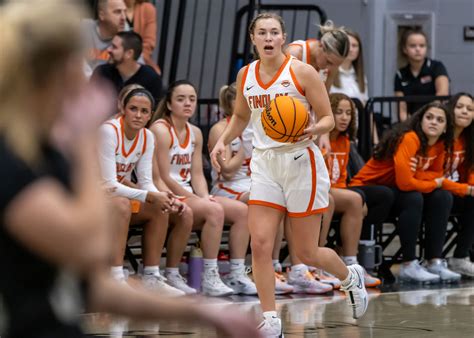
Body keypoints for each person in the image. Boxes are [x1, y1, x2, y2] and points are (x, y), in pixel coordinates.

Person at [0, 1, 261, 337]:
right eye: (74, 61)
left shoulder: (47, 152)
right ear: (54, 70)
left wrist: (205, 314)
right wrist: (84, 141)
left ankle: (161, 275)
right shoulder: (11, 158)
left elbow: (95, 289)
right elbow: (89, 247)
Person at [210, 12, 368, 336]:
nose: (268, 38)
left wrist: (313, 129)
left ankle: (351, 277)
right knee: (262, 244)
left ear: (284, 38)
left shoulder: (302, 72)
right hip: (265, 164)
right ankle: (270, 320)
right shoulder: (245, 75)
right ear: (253, 39)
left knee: (306, 251)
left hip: (300, 162)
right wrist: (223, 141)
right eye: (262, 33)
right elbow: (240, 116)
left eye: (274, 33)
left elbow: (326, 117)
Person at [149, 80, 257, 296]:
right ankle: (207, 274)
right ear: (169, 104)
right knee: (214, 210)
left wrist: (205, 195)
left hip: (188, 193)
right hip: (165, 192)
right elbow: (162, 176)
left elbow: (197, 174)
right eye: (181, 99)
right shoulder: (160, 129)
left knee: (242, 212)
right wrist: (195, 198)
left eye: (192, 99)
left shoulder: (195, 132)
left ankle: (236, 274)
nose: (187, 103)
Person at [350, 102, 461, 283]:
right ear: (420, 121)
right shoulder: (410, 138)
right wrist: (431, 181)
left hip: (392, 192)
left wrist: (421, 176)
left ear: (445, 128)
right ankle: (408, 264)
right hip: (368, 188)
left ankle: (434, 261)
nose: (434, 122)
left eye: (440, 120)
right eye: (429, 117)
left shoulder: (440, 145)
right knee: (413, 197)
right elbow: (405, 183)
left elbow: (436, 175)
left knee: (442, 196)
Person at [98, 87, 192, 296]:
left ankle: (151, 276)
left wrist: (164, 197)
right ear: (123, 108)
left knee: (160, 208)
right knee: (122, 203)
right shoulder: (109, 131)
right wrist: (150, 195)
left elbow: (146, 181)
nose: (138, 115)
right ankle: (115, 277)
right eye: (133, 109)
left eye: (144, 111)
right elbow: (109, 184)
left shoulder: (148, 137)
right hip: (91, 198)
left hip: (115, 198)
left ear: (150, 114)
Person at [209, 83, 294, 295]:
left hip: (251, 181)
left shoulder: (258, 125)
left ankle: (273, 266)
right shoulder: (221, 129)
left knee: (280, 199)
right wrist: (247, 148)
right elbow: (226, 170)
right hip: (226, 187)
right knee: (263, 201)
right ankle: (240, 272)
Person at [322, 93, 393, 287]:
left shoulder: (345, 141)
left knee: (363, 198)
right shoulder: (320, 138)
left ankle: (350, 264)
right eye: (338, 112)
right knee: (354, 200)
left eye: (348, 113)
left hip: (337, 190)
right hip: (320, 189)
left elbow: (342, 179)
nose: (344, 117)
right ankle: (321, 263)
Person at [439, 93, 474, 277]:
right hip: (429, 189)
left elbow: (470, 172)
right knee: (442, 197)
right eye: (460, 107)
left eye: (469, 109)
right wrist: (466, 189)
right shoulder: (440, 134)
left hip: (450, 189)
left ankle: (461, 258)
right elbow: (434, 178)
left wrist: (470, 188)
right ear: (451, 109)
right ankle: (433, 260)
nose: (464, 112)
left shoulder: (468, 140)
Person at [91, 31, 163, 103]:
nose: (108, 50)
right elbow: (88, 102)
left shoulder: (151, 79)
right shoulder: (101, 72)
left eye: (114, 47)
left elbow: (154, 111)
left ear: (129, 53)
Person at [394, 27, 449, 121]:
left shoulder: (437, 66)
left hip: (435, 119)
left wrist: (428, 118)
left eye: (422, 45)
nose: (418, 49)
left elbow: (442, 94)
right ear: (404, 49)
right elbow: (401, 108)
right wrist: (409, 123)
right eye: (412, 46)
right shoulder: (400, 74)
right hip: (411, 121)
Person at [286, 21, 349, 92]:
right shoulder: (294, 53)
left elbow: (325, 98)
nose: (329, 68)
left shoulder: (333, 64)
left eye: (335, 65)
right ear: (321, 45)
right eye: (328, 62)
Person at [82, 0, 126, 77]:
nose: (123, 17)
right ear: (101, 15)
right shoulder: (83, 28)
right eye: (117, 12)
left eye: (125, 12)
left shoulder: (127, 35)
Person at [330, 30, 368, 104]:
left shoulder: (361, 76)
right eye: (348, 45)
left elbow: (365, 105)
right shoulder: (329, 72)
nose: (350, 49)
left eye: (354, 46)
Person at [124, 0, 161, 74]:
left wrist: (134, 61)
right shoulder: (113, 6)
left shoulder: (148, 9)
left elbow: (149, 43)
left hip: (140, 60)